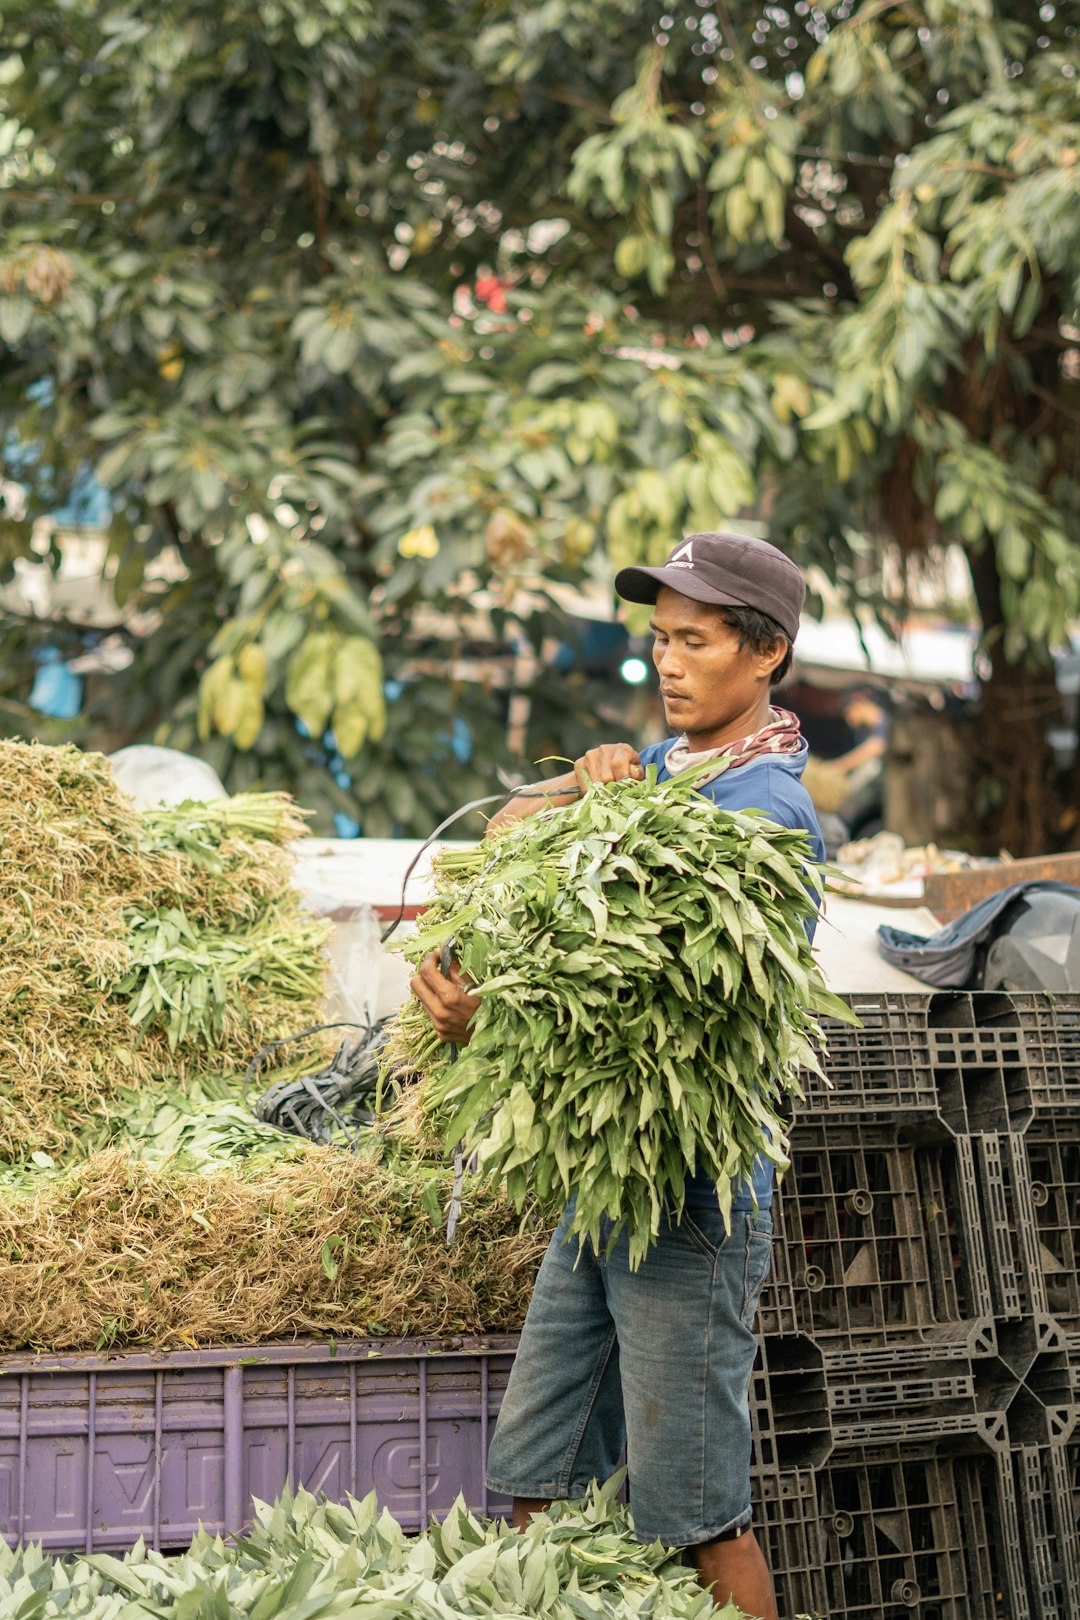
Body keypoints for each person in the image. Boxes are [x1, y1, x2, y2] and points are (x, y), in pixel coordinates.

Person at [411, 531, 824, 1620]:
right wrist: (569, 795)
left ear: (765, 653)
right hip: (603, 1190)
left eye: (696, 642)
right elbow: (513, 845)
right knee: (539, 1479)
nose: (669, 665)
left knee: (698, 1518)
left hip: (690, 1198)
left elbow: (663, 1020)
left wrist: (492, 1027)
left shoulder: (763, 813)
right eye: (660, 641)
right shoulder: (662, 774)